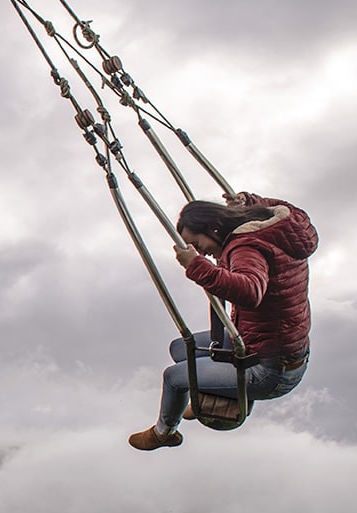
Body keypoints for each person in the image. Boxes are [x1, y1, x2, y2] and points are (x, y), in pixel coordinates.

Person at [128, 191, 319, 450]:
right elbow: (287, 208)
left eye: (197, 243)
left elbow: (250, 291)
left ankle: (164, 432)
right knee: (180, 348)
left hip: (272, 370)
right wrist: (249, 200)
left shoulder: (245, 247)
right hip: (268, 343)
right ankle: (217, 386)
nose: (201, 253)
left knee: (174, 378)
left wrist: (196, 266)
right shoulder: (274, 229)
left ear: (214, 228)